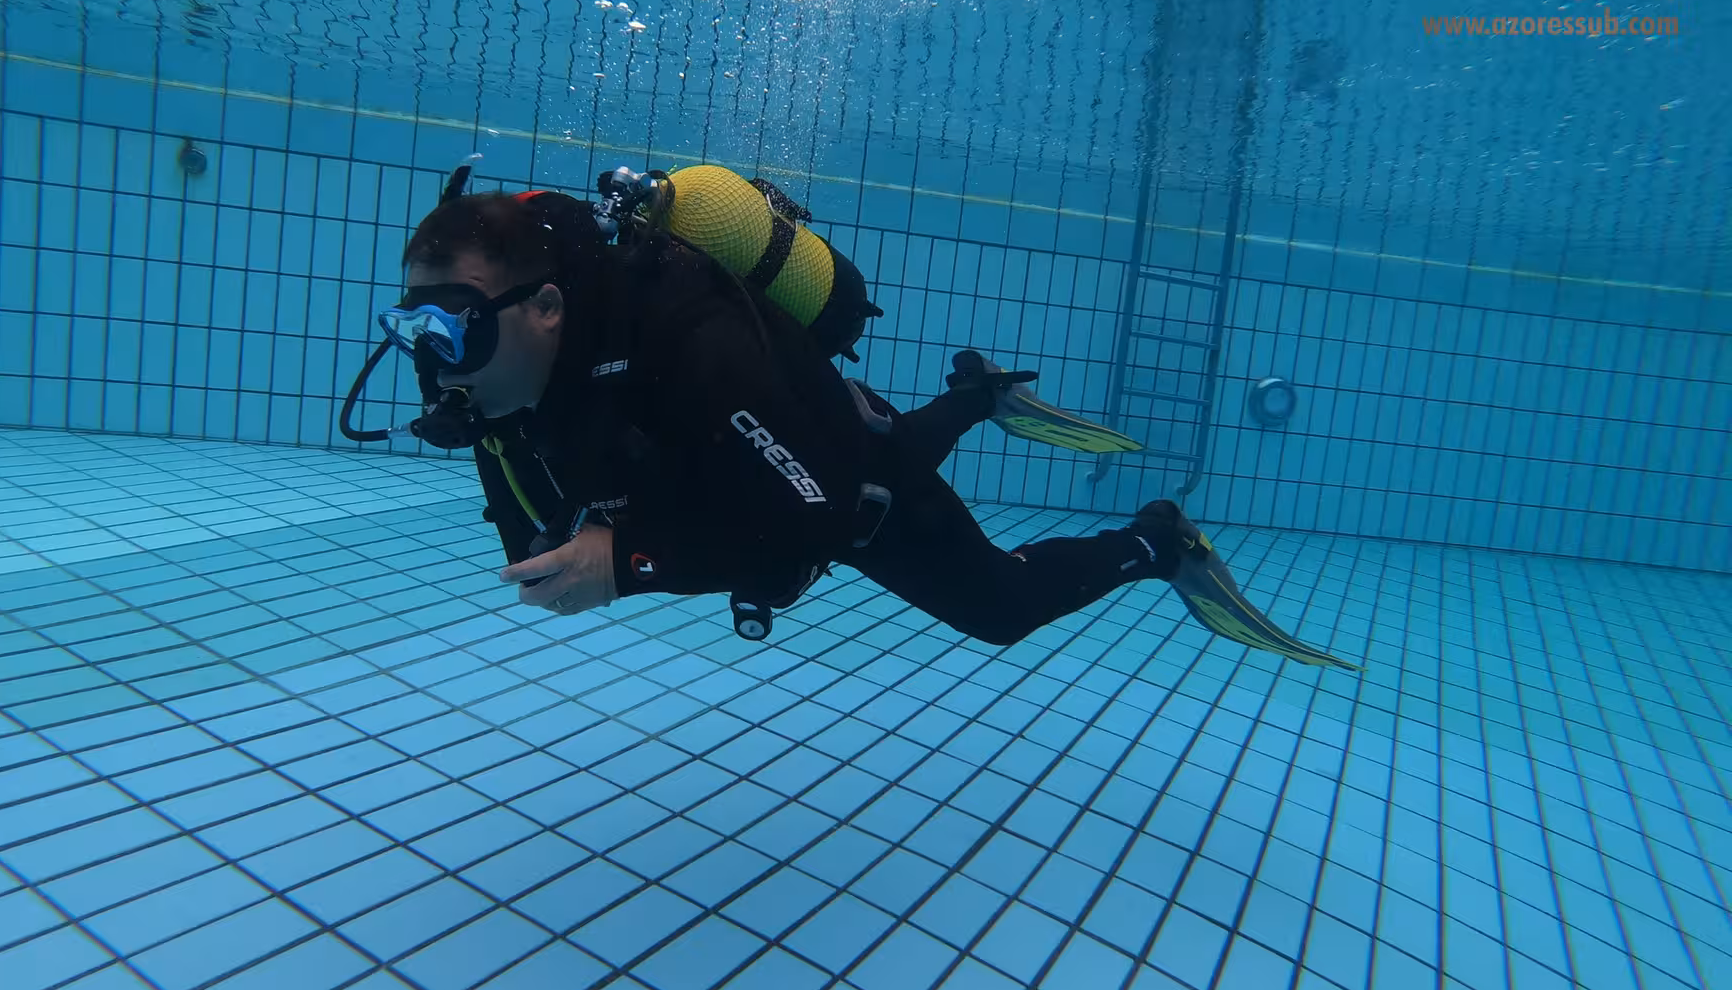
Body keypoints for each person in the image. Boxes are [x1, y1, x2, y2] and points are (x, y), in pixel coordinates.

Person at [369, 180, 1361, 669]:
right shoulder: (499, 389)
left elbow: (809, 515)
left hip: (835, 481)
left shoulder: (689, 342)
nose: (431, 363)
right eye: (412, 328)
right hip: (798, 437)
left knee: (995, 602)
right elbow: (538, 529)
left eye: (449, 328)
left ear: (544, 310)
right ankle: (983, 393)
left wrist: (624, 565)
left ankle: (1157, 539)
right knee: (890, 438)